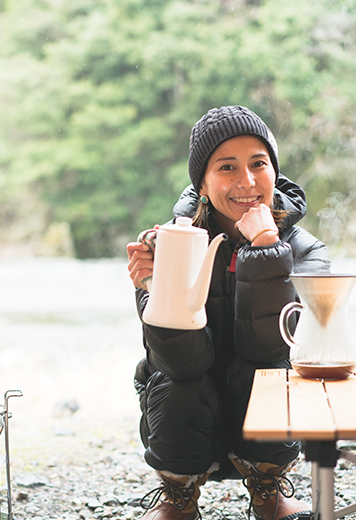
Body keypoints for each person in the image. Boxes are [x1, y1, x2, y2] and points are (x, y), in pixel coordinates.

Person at [126, 106, 331, 520]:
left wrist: (266, 250)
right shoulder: (171, 242)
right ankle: (178, 495)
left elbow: (273, 343)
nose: (247, 182)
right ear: (201, 183)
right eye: (226, 167)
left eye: (259, 164)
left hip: (260, 387)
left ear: (275, 171)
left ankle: (267, 487)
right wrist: (151, 287)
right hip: (188, 394)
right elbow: (180, 360)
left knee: (268, 371)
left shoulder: (306, 250)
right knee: (174, 380)